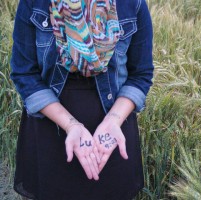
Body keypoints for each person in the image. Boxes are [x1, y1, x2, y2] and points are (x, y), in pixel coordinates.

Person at [10, 0, 154, 199]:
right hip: (50, 130)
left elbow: (141, 75)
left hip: (111, 134)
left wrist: (113, 120)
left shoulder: (133, 4)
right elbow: (24, 73)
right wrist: (71, 125)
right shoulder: (35, 3)